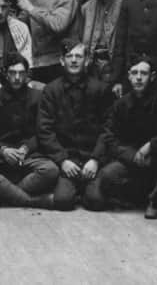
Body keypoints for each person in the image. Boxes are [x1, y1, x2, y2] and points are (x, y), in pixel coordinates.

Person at [91, 56, 157, 218]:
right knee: (107, 176)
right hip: (132, 158)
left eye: (143, 73)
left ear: (152, 76)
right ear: (129, 76)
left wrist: (151, 146)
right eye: (135, 73)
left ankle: (156, 201)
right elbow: (110, 136)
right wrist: (131, 155)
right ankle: (137, 197)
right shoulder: (121, 104)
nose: (139, 77)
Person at [38, 39, 113, 211]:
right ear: (62, 60)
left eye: (78, 56)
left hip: (91, 160)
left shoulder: (100, 89)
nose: (73, 60)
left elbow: (109, 128)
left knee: (96, 202)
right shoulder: (51, 90)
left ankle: (87, 190)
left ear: (87, 61)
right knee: (63, 202)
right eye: (69, 56)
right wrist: (62, 160)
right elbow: (44, 130)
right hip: (67, 160)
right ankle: (71, 189)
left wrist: (95, 159)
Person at [0, 53, 58, 208]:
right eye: (13, 73)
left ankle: (1, 195)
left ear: (27, 75)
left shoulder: (38, 97)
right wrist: (1, 150)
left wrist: (27, 148)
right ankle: (30, 201)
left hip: (26, 153)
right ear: (6, 74)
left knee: (51, 170)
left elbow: (44, 129)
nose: (17, 77)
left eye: (21, 73)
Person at [14, 0, 77, 84]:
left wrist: (30, 9)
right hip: (34, 65)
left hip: (57, 65)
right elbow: (18, 28)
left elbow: (58, 25)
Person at [72, 0, 128, 82]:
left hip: (119, 68)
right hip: (92, 68)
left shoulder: (127, 2)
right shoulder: (86, 8)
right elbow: (80, 40)